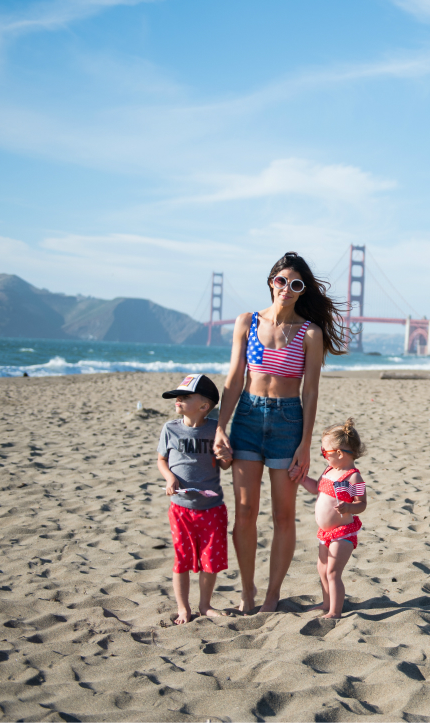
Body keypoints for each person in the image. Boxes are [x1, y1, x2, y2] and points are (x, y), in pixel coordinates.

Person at [214, 252, 347, 614]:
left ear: (303, 291)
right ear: (271, 281)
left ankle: (272, 595)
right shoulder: (247, 321)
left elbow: (311, 392)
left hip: (288, 423)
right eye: (281, 281)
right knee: (244, 511)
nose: (287, 289)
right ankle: (247, 593)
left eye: (296, 284)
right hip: (247, 418)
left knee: (283, 516)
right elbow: (233, 380)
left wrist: (306, 445)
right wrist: (220, 428)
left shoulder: (310, 333)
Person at [156, 374, 230, 625]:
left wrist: (226, 455)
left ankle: (205, 605)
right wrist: (169, 479)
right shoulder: (170, 428)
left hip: (212, 508)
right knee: (182, 560)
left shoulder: (215, 429)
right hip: (180, 508)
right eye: (177, 396)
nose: (178, 399)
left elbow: (225, 464)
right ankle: (183, 608)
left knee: (210, 561)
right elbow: (161, 460)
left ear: (204, 405)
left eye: (185, 396)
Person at [299, 419, 368, 619]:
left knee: (333, 572)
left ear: (339, 453)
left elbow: (362, 503)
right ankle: (327, 603)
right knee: (321, 569)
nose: (324, 457)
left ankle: (335, 611)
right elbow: (316, 488)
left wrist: (349, 506)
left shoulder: (354, 477)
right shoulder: (328, 471)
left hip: (343, 533)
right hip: (325, 533)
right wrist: (303, 479)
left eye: (325, 453)